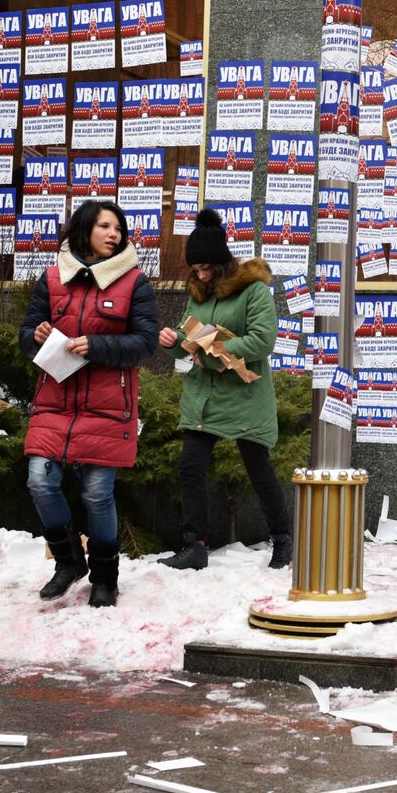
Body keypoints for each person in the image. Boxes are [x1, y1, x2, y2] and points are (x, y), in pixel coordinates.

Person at [18, 200, 159, 607]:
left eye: (118, 227)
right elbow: (26, 335)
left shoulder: (135, 283)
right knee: (39, 482)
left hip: (108, 404)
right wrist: (37, 335)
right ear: (84, 230)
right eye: (104, 226)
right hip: (54, 400)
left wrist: (96, 346)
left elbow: (146, 344)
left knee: (98, 493)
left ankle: (104, 577)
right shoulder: (52, 279)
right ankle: (68, 563)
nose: (114, 234)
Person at [158, 208, 291, 571]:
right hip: (204, 396)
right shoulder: (199, 292)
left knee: (258, 469)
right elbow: (192, 335)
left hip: (245, 395)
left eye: (206, 269)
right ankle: (194, 546)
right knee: (191, 466)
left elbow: (263, 341)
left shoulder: (253, 290)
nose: (200, 275)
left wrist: (215, 355)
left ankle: (282, 540)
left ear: (222, 263)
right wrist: (173, 341)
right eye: (195, 269)